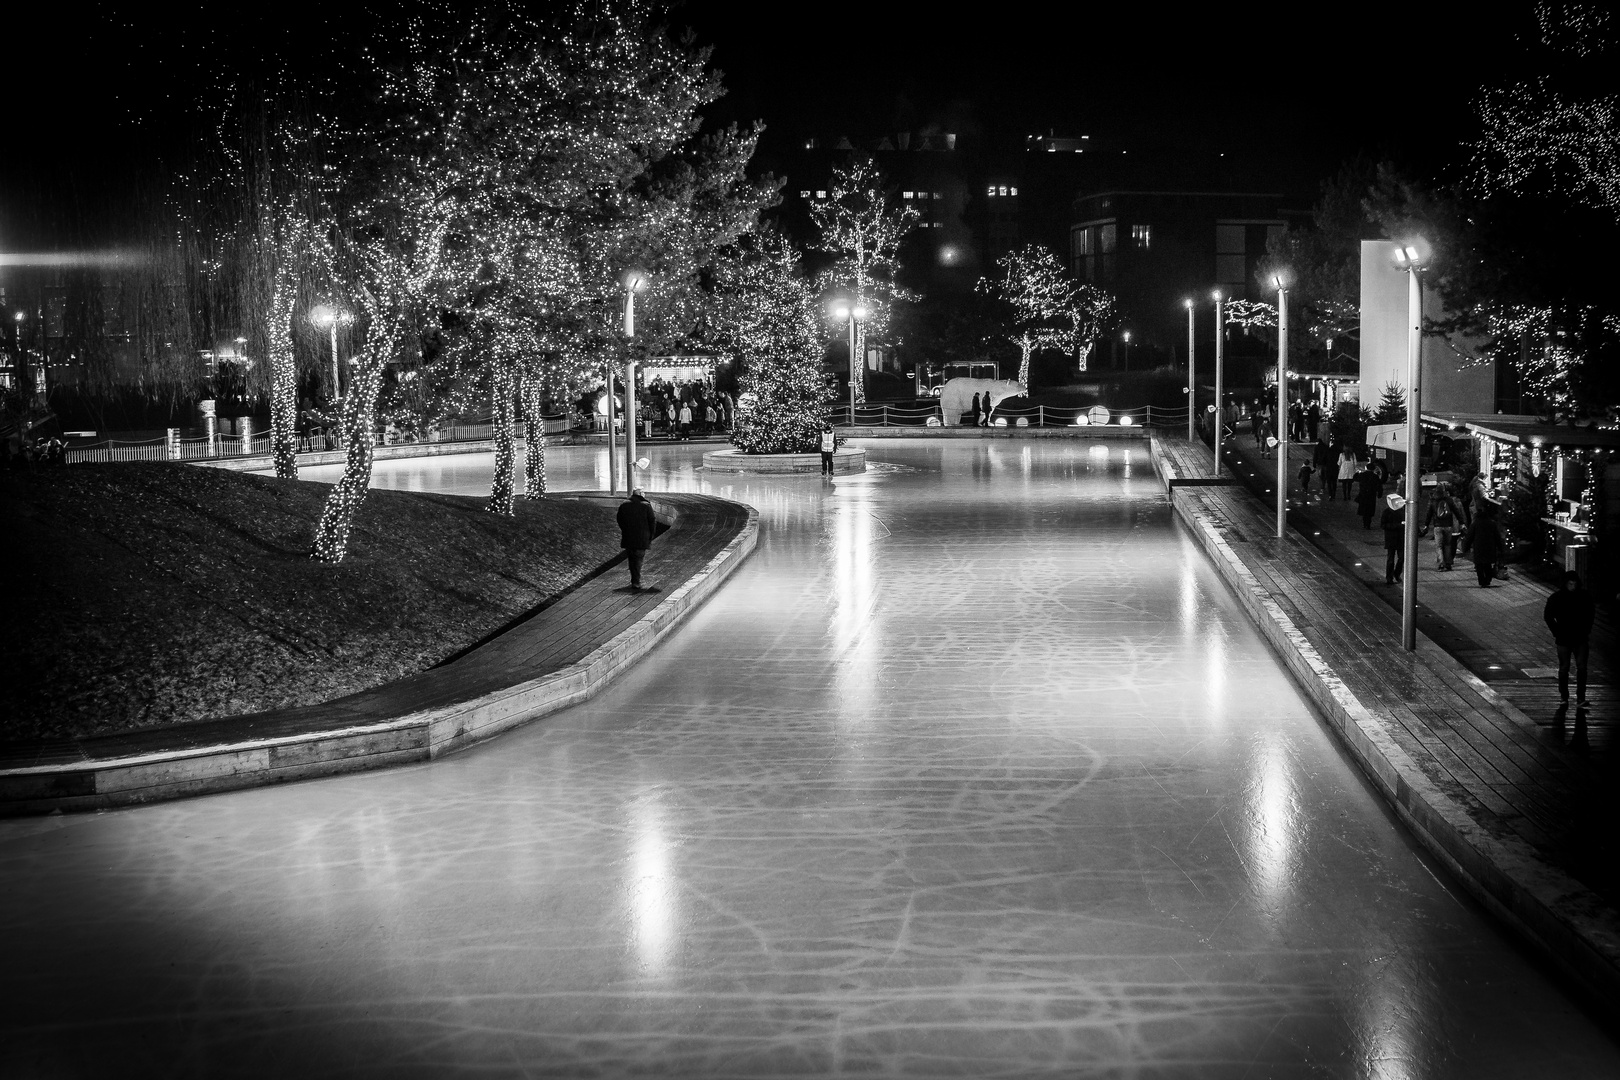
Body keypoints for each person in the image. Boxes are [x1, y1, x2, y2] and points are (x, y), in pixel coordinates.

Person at [1544, 571, 1596, 707]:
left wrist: (1556, 631)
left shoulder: (1559, 597)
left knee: (1576, 668)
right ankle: (1568, 697)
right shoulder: (1581, 597)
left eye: (1574, 584)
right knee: (1569, 668)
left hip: (1573, 637)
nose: (1572, 586)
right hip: (1570, 637)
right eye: (1570, 584)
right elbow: (1548, 616)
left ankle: (1573, 697)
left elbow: (1590, 614)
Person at [616, 487, 658, 591]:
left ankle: (634, 580)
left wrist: (625, 530)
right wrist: (650, 536)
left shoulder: (624, 505)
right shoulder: (646, 506)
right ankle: (636, 582)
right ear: (641, 495)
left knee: (631, 559)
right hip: (642, 538)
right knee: (638, 559)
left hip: (628, 536)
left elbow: (619, 519)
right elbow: (652, 521)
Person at [1423, 482, 1462, 570]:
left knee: (1439, 546)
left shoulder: (1433, 501)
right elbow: (1457, 512)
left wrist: (1426, 525)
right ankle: (1448, 563)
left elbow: (1429, 514)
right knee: (1448, 545)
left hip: (1438, 526)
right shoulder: (1449, 500)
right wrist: (1461, 522)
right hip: (1448, 526)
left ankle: (1441, 563)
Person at [1466, 500, 1503, 588]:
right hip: (1489, 547)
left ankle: (1482, 580)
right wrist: (1500, 548)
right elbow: (1497, 537)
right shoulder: (1492, 524)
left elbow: (1470, 536)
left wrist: (1466, 546)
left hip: (1478, 547)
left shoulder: (1475, 524)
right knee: (1488, 564)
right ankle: (1487, 579)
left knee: (1479, 565)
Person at [1381, 492, 1407, 585]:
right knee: (1391, 559)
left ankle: (1396, 574)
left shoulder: (1402, 511)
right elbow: (1383, 525)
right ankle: (1389, 577)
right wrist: (1399, 525)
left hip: (1399, 538)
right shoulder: (1387, 512)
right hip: (1391, 538)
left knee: (1401, 558)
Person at [1355, 462, 1383, 529]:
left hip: (1363, 494)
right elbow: (1379, 486)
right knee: (1370, 511)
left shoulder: (1362, 475)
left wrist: (1357, 472)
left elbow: (1355, 478)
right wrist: (1379, 494)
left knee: (1364, 510)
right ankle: (1368, 524)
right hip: (1371, 495)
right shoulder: (1375, 476)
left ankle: (1365, 524)